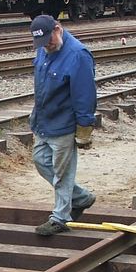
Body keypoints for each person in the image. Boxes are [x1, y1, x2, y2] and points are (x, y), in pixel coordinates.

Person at [28, 14, 97, 236]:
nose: (46, 45)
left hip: (64, 124)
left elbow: (85, 95)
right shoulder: (44, 48)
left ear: (58, 29)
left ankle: (60, 217)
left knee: (62, 173)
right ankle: (81, 198)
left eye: (48, 40)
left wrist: (84, 127)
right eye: (41, 42)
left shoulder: (78, 55)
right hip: (44, 122)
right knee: (40, 161)